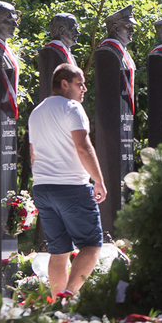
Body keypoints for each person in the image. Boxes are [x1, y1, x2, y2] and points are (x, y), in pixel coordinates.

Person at [29, 63, 107, 297]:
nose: (84, 89)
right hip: (71, 187)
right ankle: (68, 296)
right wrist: (99, 180)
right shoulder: (72, 108)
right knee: (92, 246)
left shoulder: (37, 111)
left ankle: (56, 307)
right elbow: (83, 147)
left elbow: (33, 154)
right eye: (79, 84)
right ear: (64, 84)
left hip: (43, 188)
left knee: (59, 250)